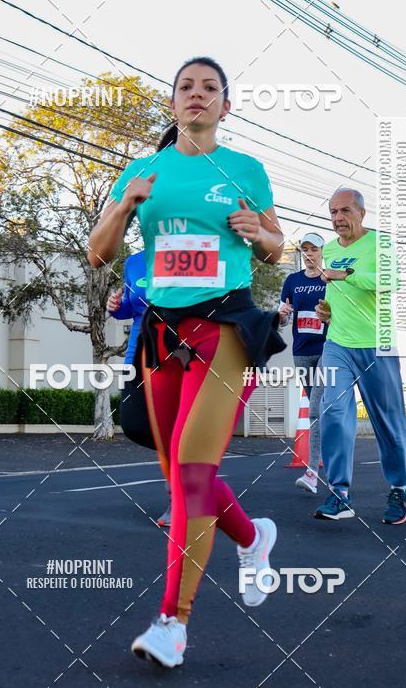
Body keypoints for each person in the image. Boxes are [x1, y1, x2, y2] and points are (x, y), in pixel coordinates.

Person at [88, 56, 285, 669]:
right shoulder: (143, 170)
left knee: (194, 476)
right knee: (180, 475)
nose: (196, 95)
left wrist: (260, 232)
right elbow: (98, 253)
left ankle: (173, 623)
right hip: (161, 335)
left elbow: (277, 246)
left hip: (224, 325)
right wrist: (125, 207)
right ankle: (254, 538)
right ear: (172, 103)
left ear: (226, 106)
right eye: (185, 87)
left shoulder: (245, 168)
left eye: (209, 89)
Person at [313, 188, 406, 525]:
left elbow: (392, 280)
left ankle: (399, 486)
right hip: (337, 342)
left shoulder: (380, 244)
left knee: (388, 423)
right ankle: (339, 492)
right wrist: (326, 310)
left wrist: (346, 275)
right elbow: (333, 292)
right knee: (334, 409)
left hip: (377, 343)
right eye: (333, 212)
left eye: (345, 211)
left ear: (362, 214)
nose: (338, 218)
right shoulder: (327, 249)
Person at [107, 251, 172, 526]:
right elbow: (131, 308)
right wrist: (116, 306)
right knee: (134, 423)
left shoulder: (185, 250)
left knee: (171, 426)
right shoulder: (133, 262)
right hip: (138, 351)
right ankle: (193, 462)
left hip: (176, 351)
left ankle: (178, 497)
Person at [279, 232, 327, 494]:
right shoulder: (292, 281)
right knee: (318, 410)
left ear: (322, 252)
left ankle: (312, 472)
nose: (309, 254)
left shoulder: (328, 279)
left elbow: (338, 315)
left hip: (326, 350)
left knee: (315, 410)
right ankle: (329, 455)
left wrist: (329, 317)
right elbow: (284, 318)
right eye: (305, 250)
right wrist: (283, 316)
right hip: (301, 351)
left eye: (314, 250)